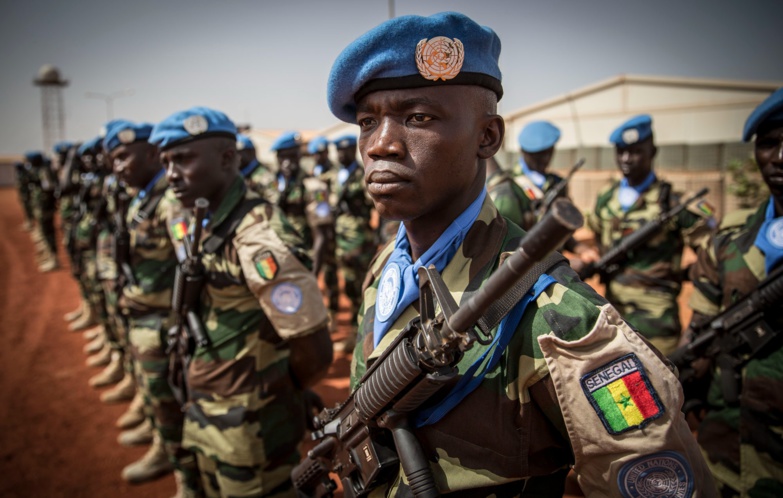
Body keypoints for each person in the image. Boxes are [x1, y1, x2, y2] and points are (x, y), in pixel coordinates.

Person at [326, 11, 717, 496]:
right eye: (368, 122)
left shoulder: (556, 316)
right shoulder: (386, 265)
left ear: (487, 137)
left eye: (417, 117)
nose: (381, 144)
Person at [150, 106, 333, 496]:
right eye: (166, 162)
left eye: (183, 159)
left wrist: (279, 396)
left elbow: (314, 350)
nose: (171, 174)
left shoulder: (258, 239)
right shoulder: (202, 218)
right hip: (207, 410)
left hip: (250, 428)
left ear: (228, 158)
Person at [686, 87, 783, 497]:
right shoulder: (728, 237)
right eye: (769, 143)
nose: (780, 157)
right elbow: (701, 334)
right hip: (725, 449)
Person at [102, 120, 202, 495]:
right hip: (142, 318)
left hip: (163, 325)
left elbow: (189, 264)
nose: (118, 166)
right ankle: (162, 444)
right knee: (157, 401)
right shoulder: (144, 196)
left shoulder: (171, 202)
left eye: (125, 156)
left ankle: (188, 482)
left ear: (149, 155)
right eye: (114, 158)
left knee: (172, 409)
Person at [573, 114, 716, 356]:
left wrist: (683, 274)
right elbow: (596, 238)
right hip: (612, 314)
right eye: (621, 152)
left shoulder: (674, 203)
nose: (626, 159)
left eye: (636, 151)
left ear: (653, 152)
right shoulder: (606, 196)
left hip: (657, 318)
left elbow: (714, 254)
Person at [320, 134, 375, 350]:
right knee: (345, 283)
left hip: (358, 240)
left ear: (353, 150)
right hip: (338, 239)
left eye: (345, 150)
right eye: (338, 150)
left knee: (358, 285)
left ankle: (359, 334)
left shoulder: (362, 175)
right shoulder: (335, 176)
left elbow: (376, 206)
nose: (341, 154)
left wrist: (377, 234)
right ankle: (355, 331)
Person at [270, 130, 334, 277]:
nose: (287, 162)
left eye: (292, 156)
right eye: (282, 157)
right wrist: (284, 187)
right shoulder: (271, 184)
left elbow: (321, 234)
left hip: (302, 257)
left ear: (299, 156)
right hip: (274, 258)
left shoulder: (314, 187)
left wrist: (314, 273)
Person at [308, 135, 340, 318]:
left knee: (331, 271)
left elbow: (332, 201)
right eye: (315, 154)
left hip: (333, 228)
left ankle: (333, 311)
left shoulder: (335, 173)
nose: (318, 157)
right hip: (316, 226)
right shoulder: (313, 172)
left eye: (321, 153)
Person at [236, 133, 275, 198]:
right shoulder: (238, 175)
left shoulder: (265, 177)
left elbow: (273, 202)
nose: (236, 157)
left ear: (252, 152)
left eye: (239, 152)